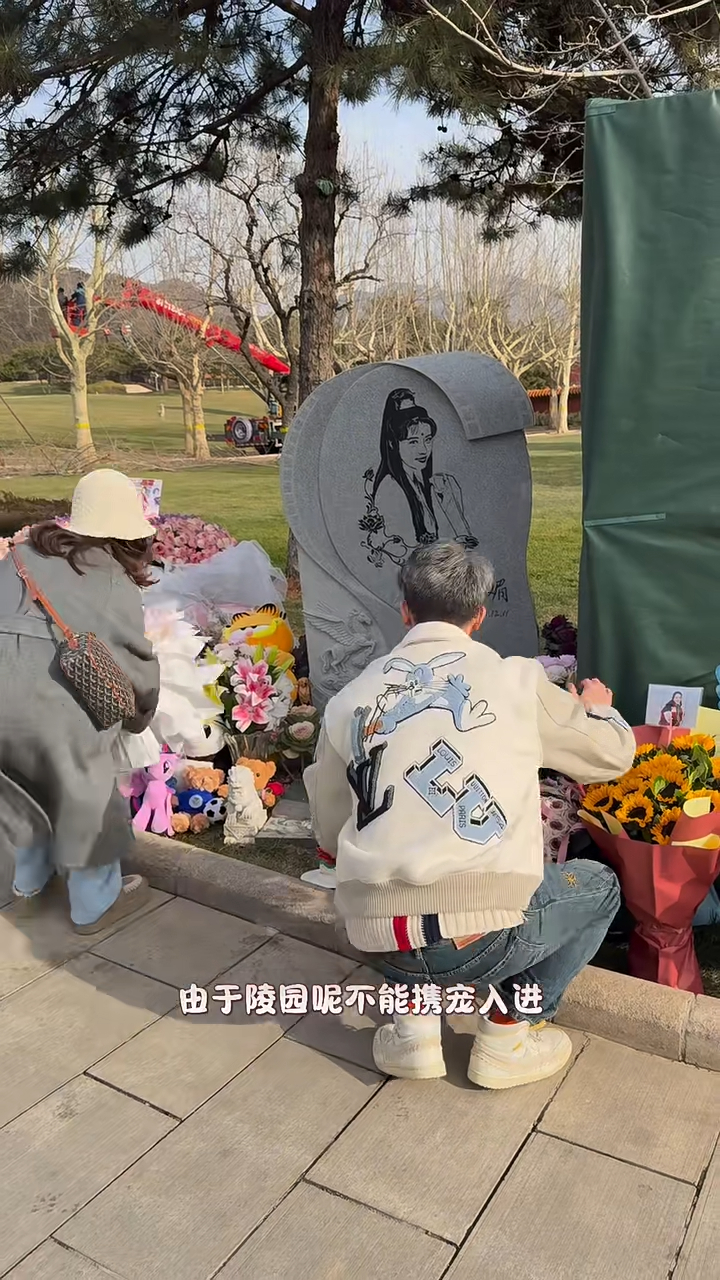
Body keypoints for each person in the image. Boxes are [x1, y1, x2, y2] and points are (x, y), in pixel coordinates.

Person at [305, 541, 635, 1090]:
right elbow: (609, 757)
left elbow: (328, 825)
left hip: (375, 933)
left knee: (395, 900)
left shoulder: (352, 698)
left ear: (405, 609)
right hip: (480, 937)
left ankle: (412, 1032)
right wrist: (598, 707)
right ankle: (507, 1034)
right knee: (597, 886)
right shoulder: (515, 683)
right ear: (479, 616)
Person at [0, 469, 160, 934]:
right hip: (53, 713)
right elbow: (136, 668)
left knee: (20, 787)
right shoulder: (112, 581)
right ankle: (95, 903)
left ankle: (28, 885)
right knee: (80, 791)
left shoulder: (20, 558)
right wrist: (139, 717)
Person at [361, 389, 478, 566]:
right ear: (393, 442)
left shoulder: (439, 484)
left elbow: (467, 539)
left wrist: (448, 501)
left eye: (428, 440)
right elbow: (402, 550)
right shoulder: (390, 488)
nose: (423, 450)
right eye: (413, 442)